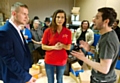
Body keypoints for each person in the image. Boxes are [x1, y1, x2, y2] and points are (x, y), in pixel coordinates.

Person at [71, 7, 119, 83]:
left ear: (106, 21)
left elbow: (104, 69)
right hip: (98, 78)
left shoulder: (108, 40)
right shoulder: (105, 35)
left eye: (97, 18)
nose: (93, 20)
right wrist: (90, 50)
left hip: (102, 80)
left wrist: (84, 59)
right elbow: (103, 55)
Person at [0, 2, 36, 83]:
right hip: (13, 77)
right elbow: (9, 59)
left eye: (27, 14)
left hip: (20, 75)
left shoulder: (17, 29)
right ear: (14, 13)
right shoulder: (4, 31)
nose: (27, 17)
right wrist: (26, 77)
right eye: (24, 14)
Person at [42, 9, 72, 83]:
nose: (60, 19)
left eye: (62, 17)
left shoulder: (68, 32)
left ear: (65, 19)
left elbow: (68, 47)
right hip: (50, 60)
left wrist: (62, 46)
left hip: (61, 60)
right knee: (50, 80)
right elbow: (43, 46)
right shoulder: (48, 31)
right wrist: (54, 47)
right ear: (54, 18)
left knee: (60, 80)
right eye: (58, 17)